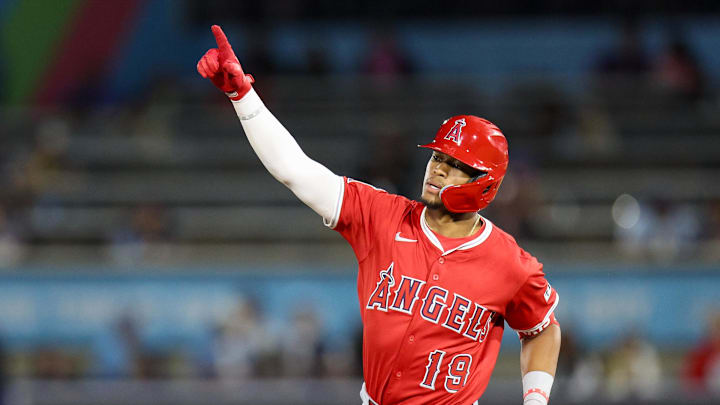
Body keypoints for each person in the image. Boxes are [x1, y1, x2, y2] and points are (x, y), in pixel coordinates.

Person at [197, 25, 561, 405]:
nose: (437, 169)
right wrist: (244, 97)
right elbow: (296, 170)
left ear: (485, 183)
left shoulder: (510, 263)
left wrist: (535, 400)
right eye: (437, 157)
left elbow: (541, 328)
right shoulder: (381, 216)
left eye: (454, 165)